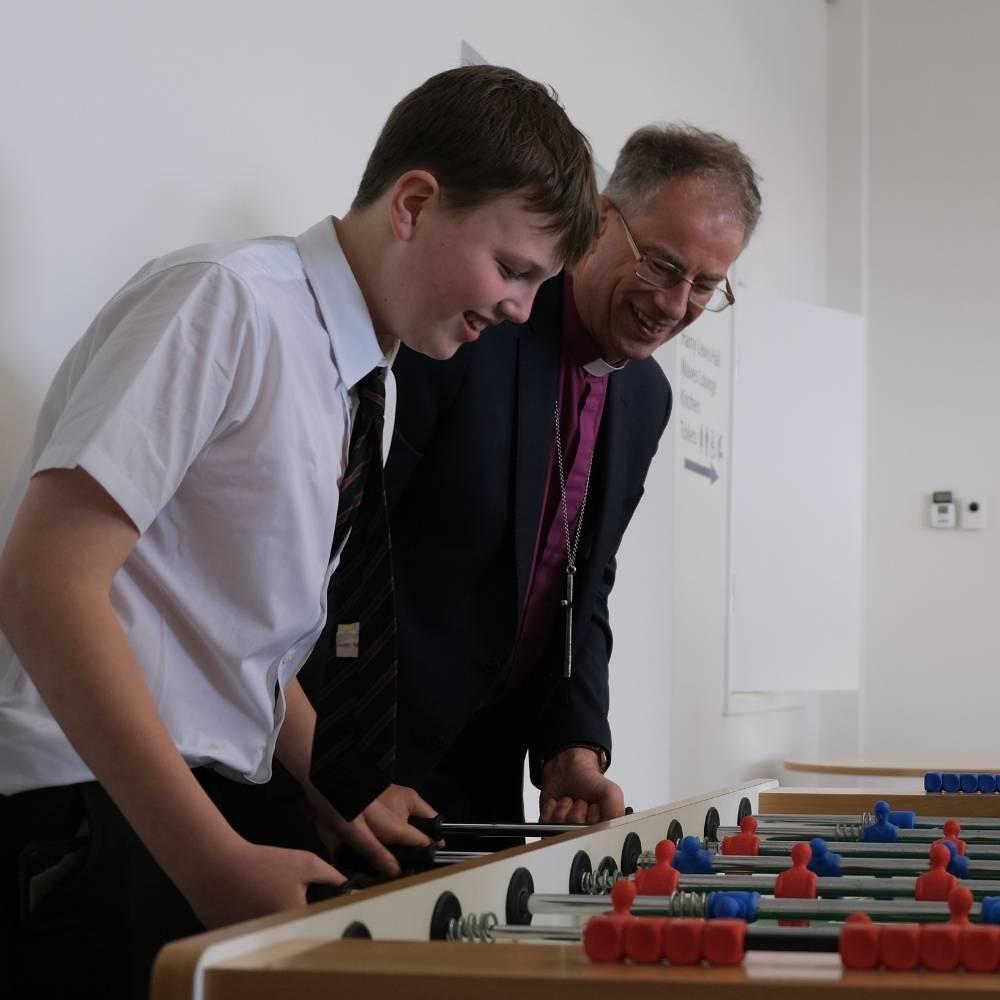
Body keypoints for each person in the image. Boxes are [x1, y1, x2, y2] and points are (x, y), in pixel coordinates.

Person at [0, 65, 598, 998]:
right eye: (514, 269)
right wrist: (208, 858)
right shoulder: (226, 300)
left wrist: (340, 780)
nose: (522, 308)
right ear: (413, 203)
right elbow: (45, 583)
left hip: (198, 804)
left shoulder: (375, 384)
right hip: (99, 805)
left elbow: (229, 637)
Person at [382, 124, 761, 842]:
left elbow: (584, 584)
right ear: (601, 220)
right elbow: (349, 545)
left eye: (706, 285)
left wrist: (573, 746)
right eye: (661, 265)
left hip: (483, 779)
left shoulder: (646, 398)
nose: (676, 305)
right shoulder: (474, 323)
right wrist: (342, 758)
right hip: (363, 761)